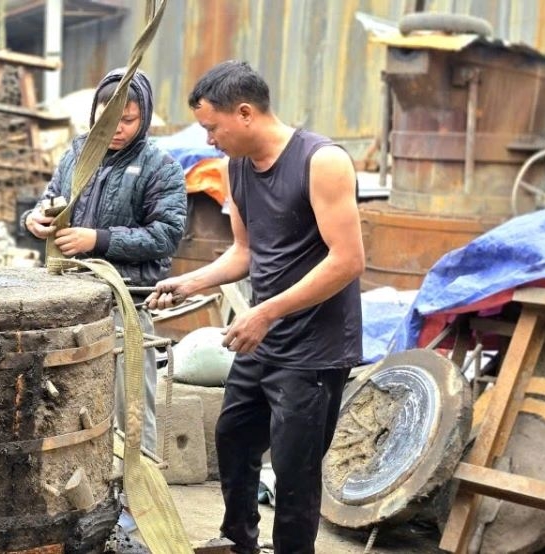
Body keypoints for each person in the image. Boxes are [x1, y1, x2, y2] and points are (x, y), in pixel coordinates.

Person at [147, 60, 364, 554]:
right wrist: (189, 282)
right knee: (234, 437)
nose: (208, 140)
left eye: (212, 127)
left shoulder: (321, 161)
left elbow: (348, 260)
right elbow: (245, 252)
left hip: (313, 348)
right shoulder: (235, 167)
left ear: (244, 113)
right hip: (262, 338)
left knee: (294, 474)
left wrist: (265, 312)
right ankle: (237, 541)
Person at [23, 68, 186, 454]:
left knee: (130, 405)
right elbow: (50, 197)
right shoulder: (78, 154)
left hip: (123, 303)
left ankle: (136, 498)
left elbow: (167, 235)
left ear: (143, 117)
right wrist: (35, 217)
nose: (116, 128)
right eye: (106, 118)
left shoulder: (160, 167)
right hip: (69, 301)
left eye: (127, 120)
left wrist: (99, 240)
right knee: (63, 402)